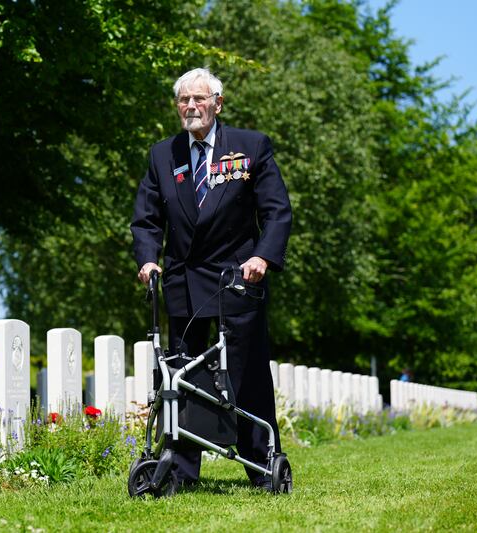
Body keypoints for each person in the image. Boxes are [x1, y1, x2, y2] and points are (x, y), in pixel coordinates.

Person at [130, 68, 292, 491]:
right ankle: (181, 474)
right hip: (184, 284)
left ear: (218, 104)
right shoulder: (163, 155)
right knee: (181, 377)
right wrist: (148, 260)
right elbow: (146, 220)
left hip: (236, 280)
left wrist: (262, 257)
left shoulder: (251, 147)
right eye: (184, 100)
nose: (191, 107)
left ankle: (262, 465)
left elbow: (276, 211)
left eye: (199, 99)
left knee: (246, 376)